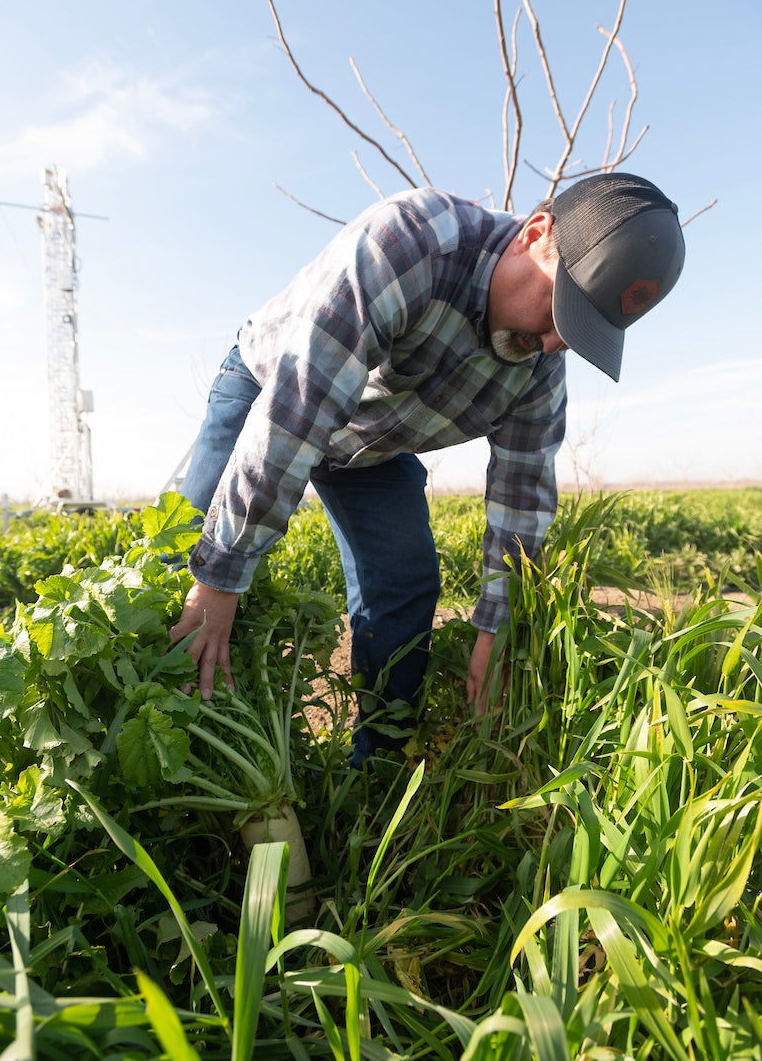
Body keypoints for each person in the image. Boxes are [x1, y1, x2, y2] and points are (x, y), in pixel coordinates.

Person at [169, 171, 685, 766]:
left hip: (375, 440)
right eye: (556, 309)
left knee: (404, 581)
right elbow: (298, 412)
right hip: (273, 386)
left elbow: (523, 499)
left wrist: (495, 631)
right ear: (536, 233)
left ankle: (381, 764)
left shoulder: (540, 367)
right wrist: (220, 580)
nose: (549, 344)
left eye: (575, 333)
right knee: (183, 563)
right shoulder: (415, 241)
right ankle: (163, 743)